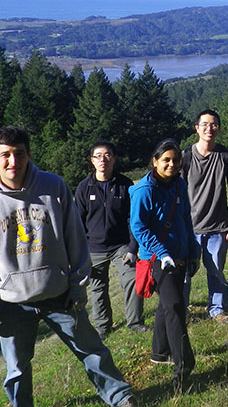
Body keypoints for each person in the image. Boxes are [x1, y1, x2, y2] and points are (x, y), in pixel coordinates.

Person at [0, 126, 136, 407]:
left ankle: (120, 396)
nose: (13, 162)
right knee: (17, 368)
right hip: (13, 302)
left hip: (59, 293)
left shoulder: (53, 187)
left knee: (92, 350)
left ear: (28, 154)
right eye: (5, 155)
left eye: (19, 154)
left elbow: (75, 239)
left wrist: (78, 285)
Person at [130, 138, 200, 392]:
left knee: (167, 304)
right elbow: (138, 227)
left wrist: (193, 250)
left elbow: (185, 219)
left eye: (176, 160)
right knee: (175, 308)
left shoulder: (179, 184)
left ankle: (159, 351)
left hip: (181, 254)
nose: (172, 164)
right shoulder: (143, 190)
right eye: (166, 160)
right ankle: (183, 370)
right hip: (157, 259)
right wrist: (162, 253)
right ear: (155, 161)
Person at [75, 141, 145, 338]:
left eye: (107, 155)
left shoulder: (125, 185)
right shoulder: (84, 188)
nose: (102, 160)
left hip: (121, 245)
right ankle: (103, 328)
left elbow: (133, 218)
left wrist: (133, 246)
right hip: (93, 248)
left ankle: (135, 322)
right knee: (98, 289)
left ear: (114, 159)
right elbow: (77, 222)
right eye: (98, 156)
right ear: (92, 161)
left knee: (132, 278)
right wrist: (79, 252)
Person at [181, 109, 228, 324]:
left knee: (216, 272)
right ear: (196, 128)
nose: (209, 128)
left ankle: (217, 309)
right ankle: (182, 309)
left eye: (214, 124)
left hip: (218, 227)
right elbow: (177, 192)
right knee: (185, 273)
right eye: (205, 124)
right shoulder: (186, 156)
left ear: (219, 128)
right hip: (190, 228)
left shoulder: (226, 156)